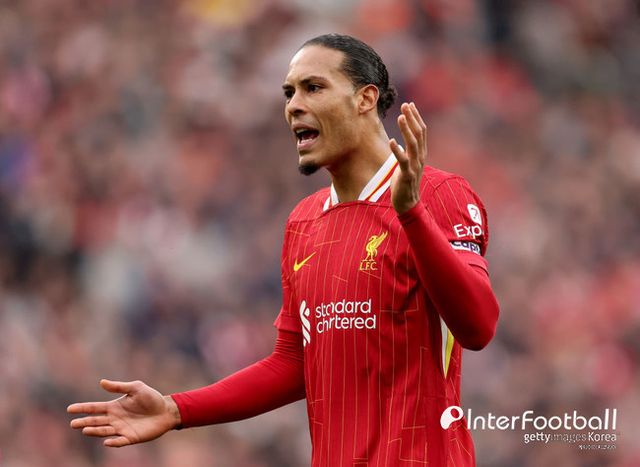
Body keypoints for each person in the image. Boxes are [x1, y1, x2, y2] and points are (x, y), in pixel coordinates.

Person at [68, 33, 499, 466]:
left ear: (365, 99)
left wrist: (411, 215)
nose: (293, 105)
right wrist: (177, 409)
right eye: (289, 93)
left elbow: (478, 327)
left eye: (313, 87)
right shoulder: (304, 223)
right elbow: (293, 363)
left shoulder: (438, 194)